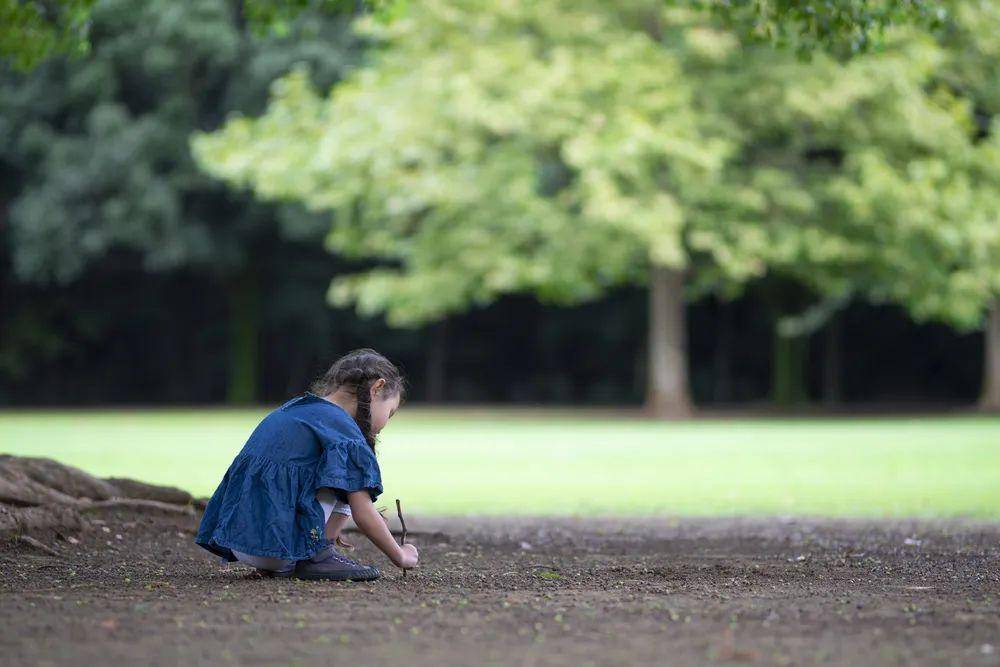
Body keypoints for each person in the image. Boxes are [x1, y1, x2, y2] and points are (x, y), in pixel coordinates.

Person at [195, 348, 418, 580]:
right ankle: (318, 556)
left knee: (339, 474)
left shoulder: (295, 408)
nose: (385, 423)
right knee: (351, 479)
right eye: (389, 412)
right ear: (376, 388)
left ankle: (297, 557)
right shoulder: (344, 432)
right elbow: (363, 512)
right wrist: (401, 555)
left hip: (238, 540)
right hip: (278, 546)